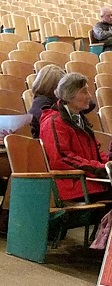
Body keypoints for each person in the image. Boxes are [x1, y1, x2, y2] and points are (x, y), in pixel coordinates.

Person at [40, 72, 109, 201]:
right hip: (73, 186)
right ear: (69, 95)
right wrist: (100, 169)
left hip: (89, 181)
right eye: (84, 92)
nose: (89, 96)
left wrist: (108, 166)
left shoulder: (78, 119)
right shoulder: (54, 122)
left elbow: (97, 153)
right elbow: (61, 158)